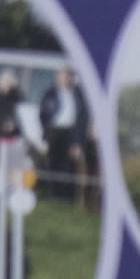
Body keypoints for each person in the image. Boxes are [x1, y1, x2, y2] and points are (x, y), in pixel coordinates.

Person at [39, 67, 89, 203]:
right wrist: (45, 132)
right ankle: (55, 196)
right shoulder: (50, 94)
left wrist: (78, 142)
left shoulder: (78, 95)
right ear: (57, 77)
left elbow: (82, 118)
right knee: (54, 163)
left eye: (68, 77)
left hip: (71, 132)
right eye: (62, 76)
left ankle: (68, 198)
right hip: (54, 131)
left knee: (70, 165)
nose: (65, 79)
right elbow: (43, 115)